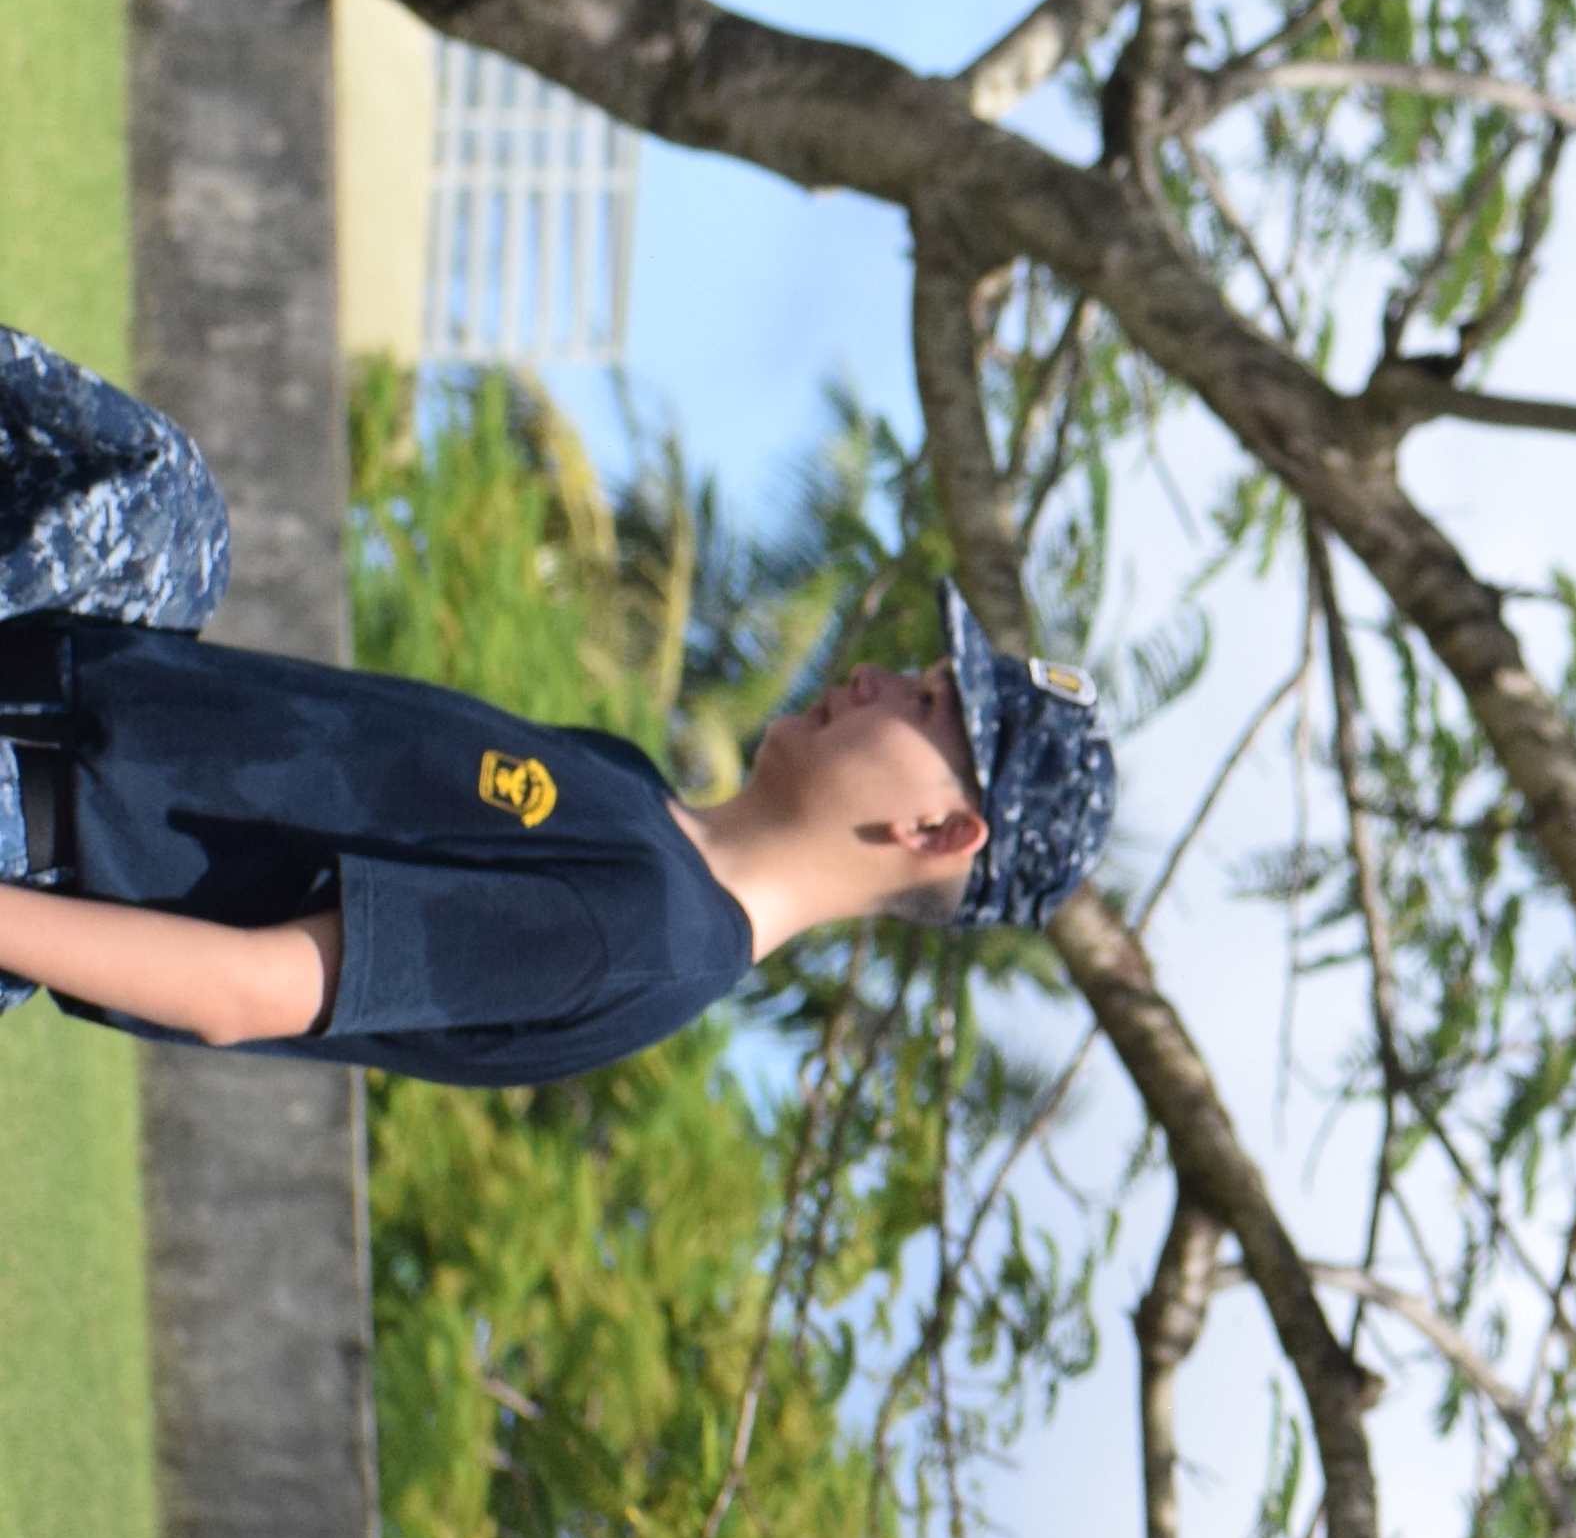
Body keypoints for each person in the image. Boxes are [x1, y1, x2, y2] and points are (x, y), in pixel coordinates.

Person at [0, 327, 1110, 1079]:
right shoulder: (633, 790)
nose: (873, 678)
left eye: (922, 701)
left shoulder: (637, 934)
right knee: (170, 509)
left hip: (30, 828)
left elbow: (243, 990)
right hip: (60, 676)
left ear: (938, 830)